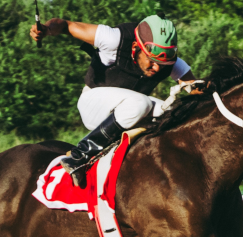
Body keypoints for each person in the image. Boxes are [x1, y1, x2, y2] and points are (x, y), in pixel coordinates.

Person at [30, 12, 197, 178]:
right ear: (135, 47)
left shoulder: (172, 63)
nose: (157, 68)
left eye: (162, 63)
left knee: (173, 113)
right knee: (140, 103)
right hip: (93, 105)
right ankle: (79, 155)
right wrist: (46, 29)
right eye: (152, 61)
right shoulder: (113, 39)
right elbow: (67, 25)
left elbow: (197, 90)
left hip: (128, 112)